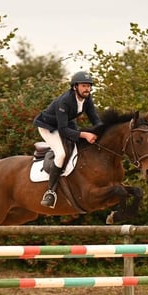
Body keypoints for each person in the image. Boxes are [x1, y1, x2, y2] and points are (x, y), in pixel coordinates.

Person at [32, 71, 102, 208]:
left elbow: (95, 119)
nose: (87, 89)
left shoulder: (87, 99)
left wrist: (104, 131)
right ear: (75, 87)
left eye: (89, 86)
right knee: (61, 154)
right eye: (83, 86)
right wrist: (85, 135)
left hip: (65, 124)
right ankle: (50, 192)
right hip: (48, 127)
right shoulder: (65, 101)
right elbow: (63, 130)